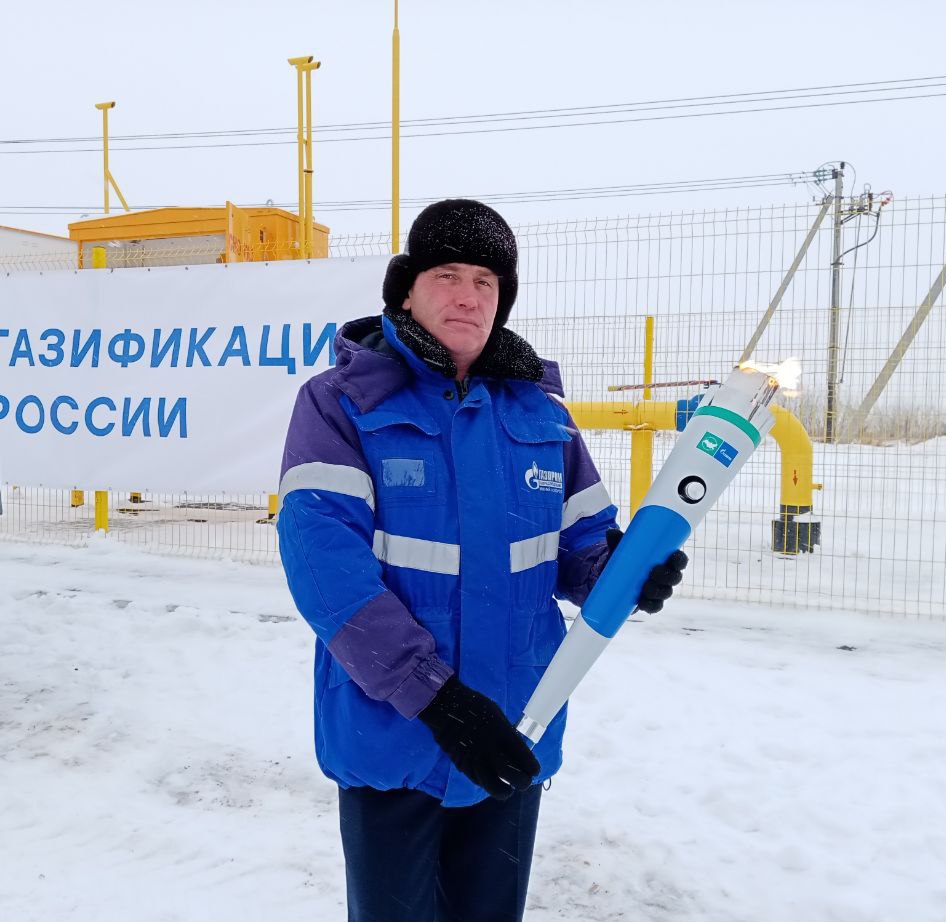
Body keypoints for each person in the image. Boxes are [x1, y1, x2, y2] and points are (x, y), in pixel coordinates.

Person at [276, 199, 687, 922]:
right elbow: (325, 570)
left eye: (486, 282)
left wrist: (624, 574)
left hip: (513, 728)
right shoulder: (340, 405)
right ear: (407, 292)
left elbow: (583, 547)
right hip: (393, 734)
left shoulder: (542, 415)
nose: (468, 296)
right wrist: (434, 698)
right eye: (448, 275)